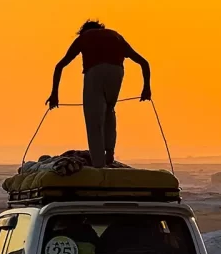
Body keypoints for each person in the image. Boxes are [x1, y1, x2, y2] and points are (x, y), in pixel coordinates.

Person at [46, 20, 151, 167]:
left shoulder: (84, 37)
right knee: (109, 110)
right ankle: (110, 153)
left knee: (93, 119)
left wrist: (54, 94)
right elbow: (144, 63)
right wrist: (146, 88)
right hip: (117, 73)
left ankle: (99, 165)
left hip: (94, 73)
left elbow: (60, 66)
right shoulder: (116, 36)